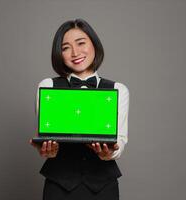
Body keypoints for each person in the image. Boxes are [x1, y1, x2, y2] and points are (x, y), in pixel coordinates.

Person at [30, 18, 129, 200]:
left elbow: (121, 140)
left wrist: (110, 153)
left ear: (94, 44)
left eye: (81, 43)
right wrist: (47, 151)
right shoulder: (48, 86)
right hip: (59, 185)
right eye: (65, 47)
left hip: (103, 187)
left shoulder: (118, 89)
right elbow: (46, 135)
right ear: (59, 54)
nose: (75, 52)